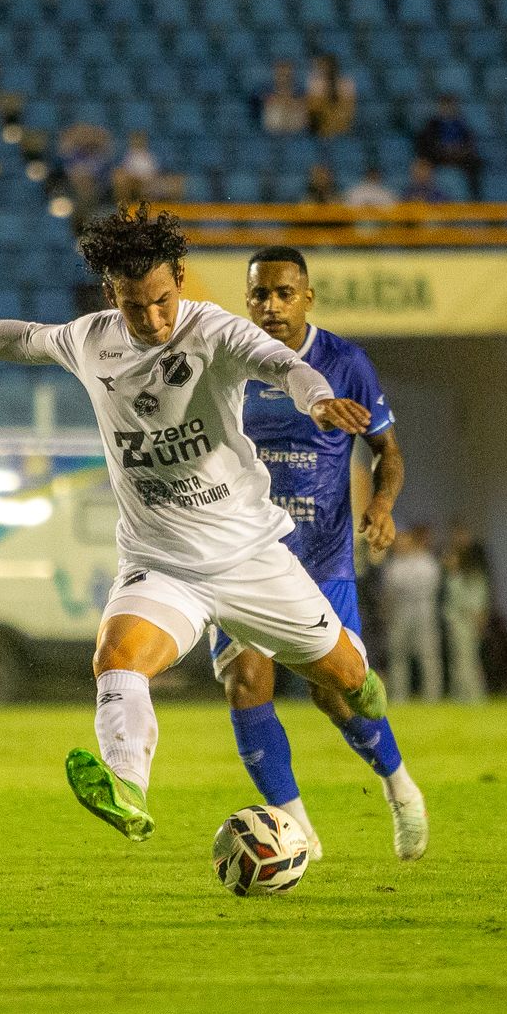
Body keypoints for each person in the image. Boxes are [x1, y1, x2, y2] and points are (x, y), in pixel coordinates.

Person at [0, 205, 415, 855]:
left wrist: (318, 398)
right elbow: (19, 339)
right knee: (116, 660)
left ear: (180, 279)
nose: (153, 320)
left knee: (351, 681)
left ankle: (363, 687)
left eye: (161, 301)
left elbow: (282, 364)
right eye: (135, 307)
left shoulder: (214, 331)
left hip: (251, 558)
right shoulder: (90, 339)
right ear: (110, 297)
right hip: (164, 565)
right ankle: (128, 789)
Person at [205, 245, 421, 860]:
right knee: (246, 683)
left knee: (337, 692)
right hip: (241, 556)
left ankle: (400, 789)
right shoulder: (224, 363)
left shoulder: (346, 364)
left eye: (283, 293)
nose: (270, 305)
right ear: (245, 300)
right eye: (258, 295)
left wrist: (380, 506)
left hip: (323, 560)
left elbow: (389, 452)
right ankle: (298, 835)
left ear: (307, 297)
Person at [383, 526, 443, 702]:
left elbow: (431, 587)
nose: (400, 545)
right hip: (400, 612)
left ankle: (432, 696)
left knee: (428, 655)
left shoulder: (427, 562)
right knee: (398, 655)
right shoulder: (394, 564)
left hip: (423, 612)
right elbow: (389, 591)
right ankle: (398, 696)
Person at [443, 535, 490, 702]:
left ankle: (474, 696)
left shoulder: (471, 578)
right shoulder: (452, 577)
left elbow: (476, 603)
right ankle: (460, 695)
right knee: (458, 661)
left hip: (467, 622)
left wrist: (478, 621)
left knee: (468, 660)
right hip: (456, 623)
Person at [415, 95, 481, 196]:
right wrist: (444, 150)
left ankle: (474, 198)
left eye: (450, 106)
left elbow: (469, 143)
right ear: (440, 108)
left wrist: (458, 151)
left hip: (459, 158)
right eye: (445, 106)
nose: (448, 109)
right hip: (438, 158)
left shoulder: (462, 125)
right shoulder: (432, 124)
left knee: (475, 164)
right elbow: (427, 143)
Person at [306, 55, 356, 138]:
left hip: (341, 132)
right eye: (322, 69)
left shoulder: (345, 85)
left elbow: (348, 117)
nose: (326, 72)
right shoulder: (315, 86)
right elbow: (314, 116)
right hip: (320, 133)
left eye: (329, 69)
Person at [260, 60, 309, 135]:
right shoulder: (266, 99)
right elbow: (268, 127)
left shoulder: (301, 100)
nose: (284, 79)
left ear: (292, 76)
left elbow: (301, 127)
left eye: (287, 75)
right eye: (280, 75)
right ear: (275, 76)